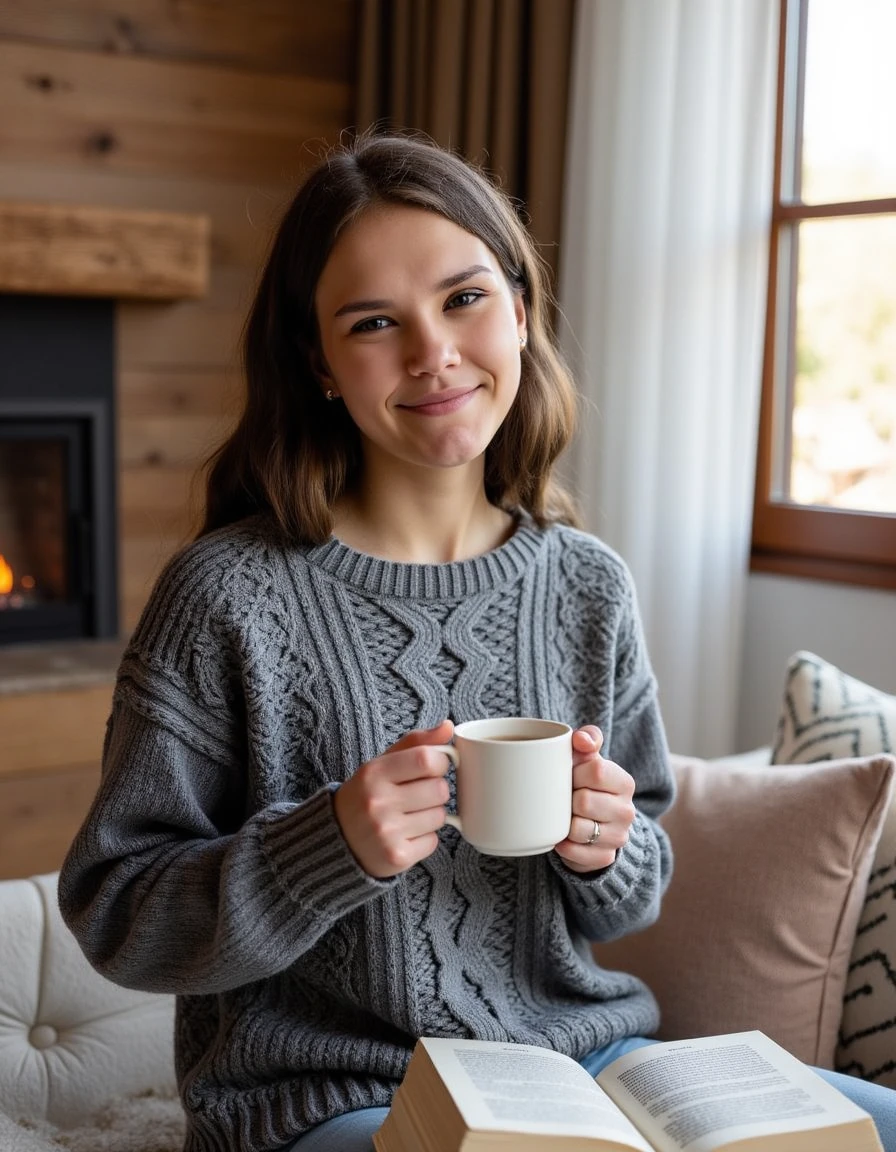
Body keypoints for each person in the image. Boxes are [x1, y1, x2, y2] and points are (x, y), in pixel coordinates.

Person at [57, 132, 896, 1152]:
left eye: (464, 299)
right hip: (329, 1094)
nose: (433, 355)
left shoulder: (585, 583)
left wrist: (606, 847)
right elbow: (116, 911)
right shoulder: (229, 595)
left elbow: (635, 888)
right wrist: (328, 847)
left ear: (519, 308)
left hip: (577, 1068)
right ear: (317, 363)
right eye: (374, 323)